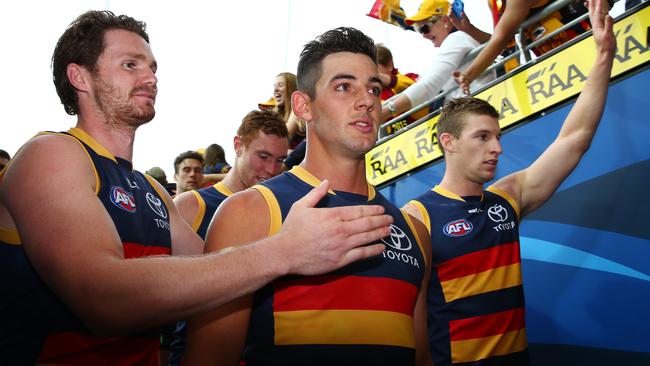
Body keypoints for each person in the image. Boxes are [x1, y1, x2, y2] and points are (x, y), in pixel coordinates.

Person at [0, 11, 393, 364]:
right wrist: (283, 250)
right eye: (130, 65)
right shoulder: (50, 154)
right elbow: (103, 299)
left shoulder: (151, 193)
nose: (150, 78)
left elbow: (220, 274)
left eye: (153, 67)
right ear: (80, 77)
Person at [185, 27, 433, 366]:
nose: (367, 101)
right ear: (303, 106)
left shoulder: (414, 231)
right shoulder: (249, 214)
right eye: (344, 87)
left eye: (374, 88)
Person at [403, 1, 614, 364]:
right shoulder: (417, 216)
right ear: (448, 142)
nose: (497, 148)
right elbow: (411, 319)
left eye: (497, 137)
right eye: (482, 137)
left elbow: (574, 139)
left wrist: (604, 55)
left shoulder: (507, 199)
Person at [381, 0, 495, 122]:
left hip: (475, 114)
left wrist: (383, 113)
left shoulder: (456, 39)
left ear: (445, 21)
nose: (423, 35)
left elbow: (428, 85)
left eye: (425, 28)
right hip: (477, 111)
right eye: (419, 29)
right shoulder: (460, 40)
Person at [454, 0, 591, 95]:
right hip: (558, 65)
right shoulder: (494, 3)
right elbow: (502, 42)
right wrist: (469, 29)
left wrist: (468, 75)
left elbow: (500, 39)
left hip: (585, 48)